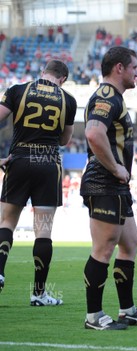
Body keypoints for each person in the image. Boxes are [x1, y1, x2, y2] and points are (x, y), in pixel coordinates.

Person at [80, 46, 137, 330]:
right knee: (103, 248)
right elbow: (92, 133)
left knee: (129, 242)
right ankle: (94, 317)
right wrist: (115, 168)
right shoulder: (106, 96)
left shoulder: (115, 98)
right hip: (104, 182)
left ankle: (127, 311)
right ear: (119, 68)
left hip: (115, 185)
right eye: (134, 67)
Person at [0, 60, 76, 305]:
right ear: (62, 79)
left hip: (19, 158)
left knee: (7, 221)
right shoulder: (68, 100)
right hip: (48, 162)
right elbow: (65, 139)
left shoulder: (17, 90)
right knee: (43, 230)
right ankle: (39, 293)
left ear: (43, 72)